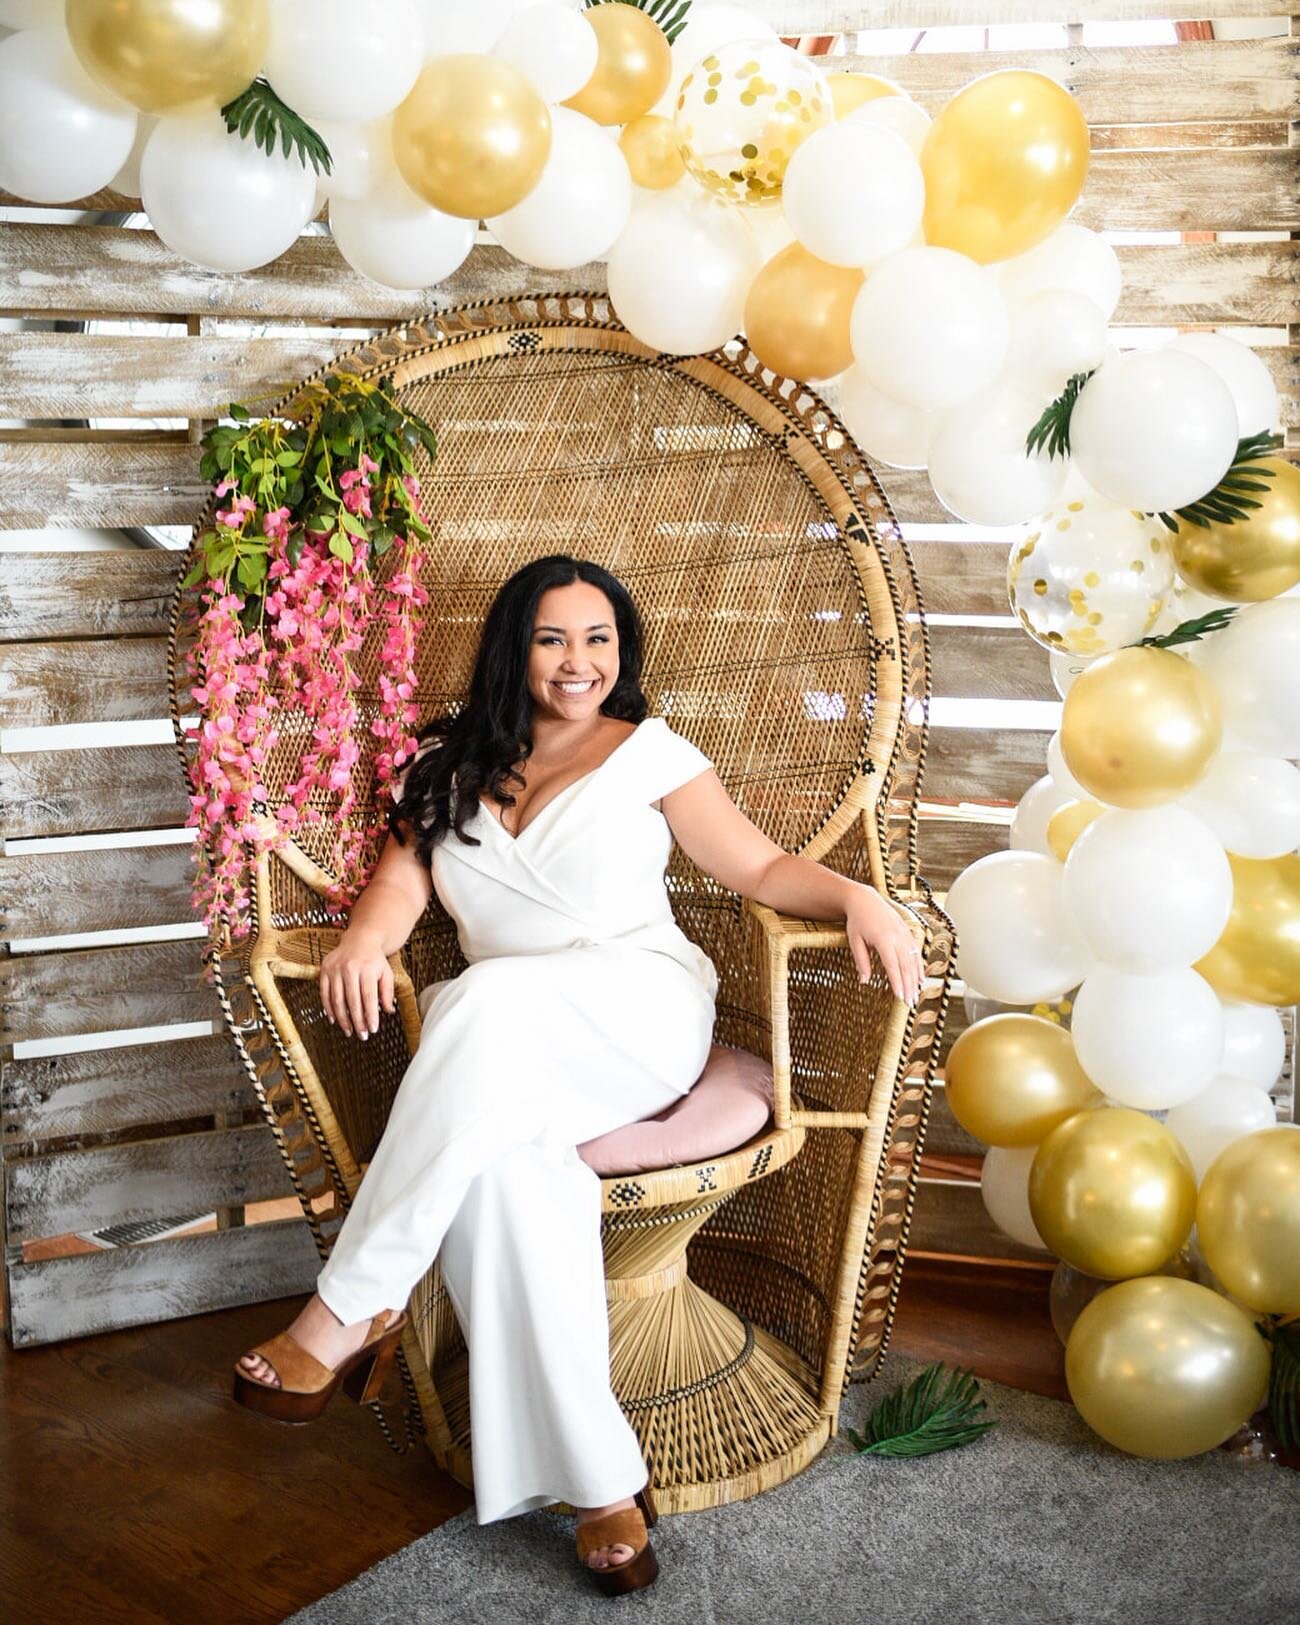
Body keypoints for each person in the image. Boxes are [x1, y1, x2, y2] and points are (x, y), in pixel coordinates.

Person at [233, 554, 923, 1592]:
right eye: (554, 637)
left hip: (637, 1011)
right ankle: (604, 1483)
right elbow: (396, 886)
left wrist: (856, 897)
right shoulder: (443, 765)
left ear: (622, 652)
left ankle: (349, 1305)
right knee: (510, 1170)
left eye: (598, 639)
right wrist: (360, 946)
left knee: (480, 999)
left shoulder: (652, 754)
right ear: (515, 646)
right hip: (506, 1046)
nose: (578, 661)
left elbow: (756, 867)